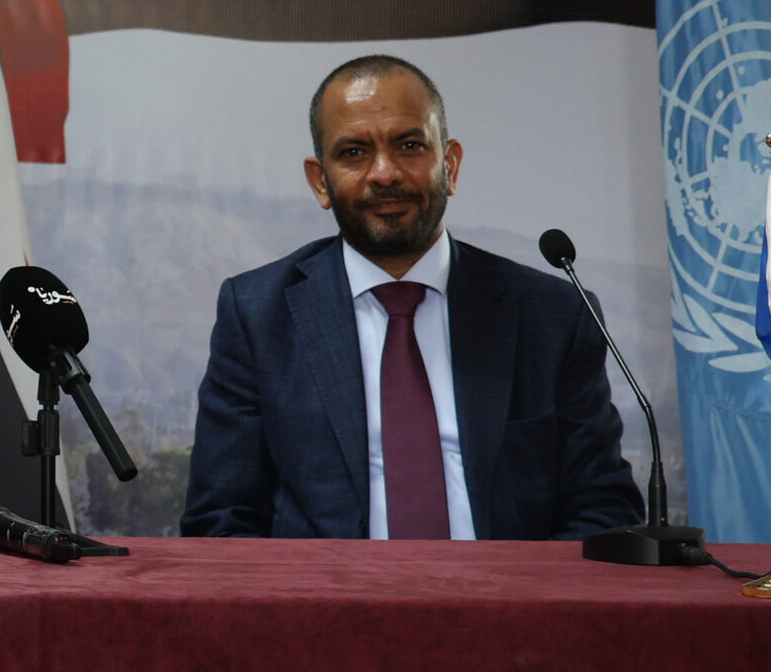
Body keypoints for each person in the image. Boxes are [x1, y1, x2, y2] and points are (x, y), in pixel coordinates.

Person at [181, 55, 643, 541]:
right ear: (320, 181)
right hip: (326, 590)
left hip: (507, 587)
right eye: (354, 152)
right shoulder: (258, 315)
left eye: (409, 146)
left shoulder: (554, 315)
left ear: (450, 165)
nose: (384, 173)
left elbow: (604, 509)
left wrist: (521, 589)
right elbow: (221, 521)